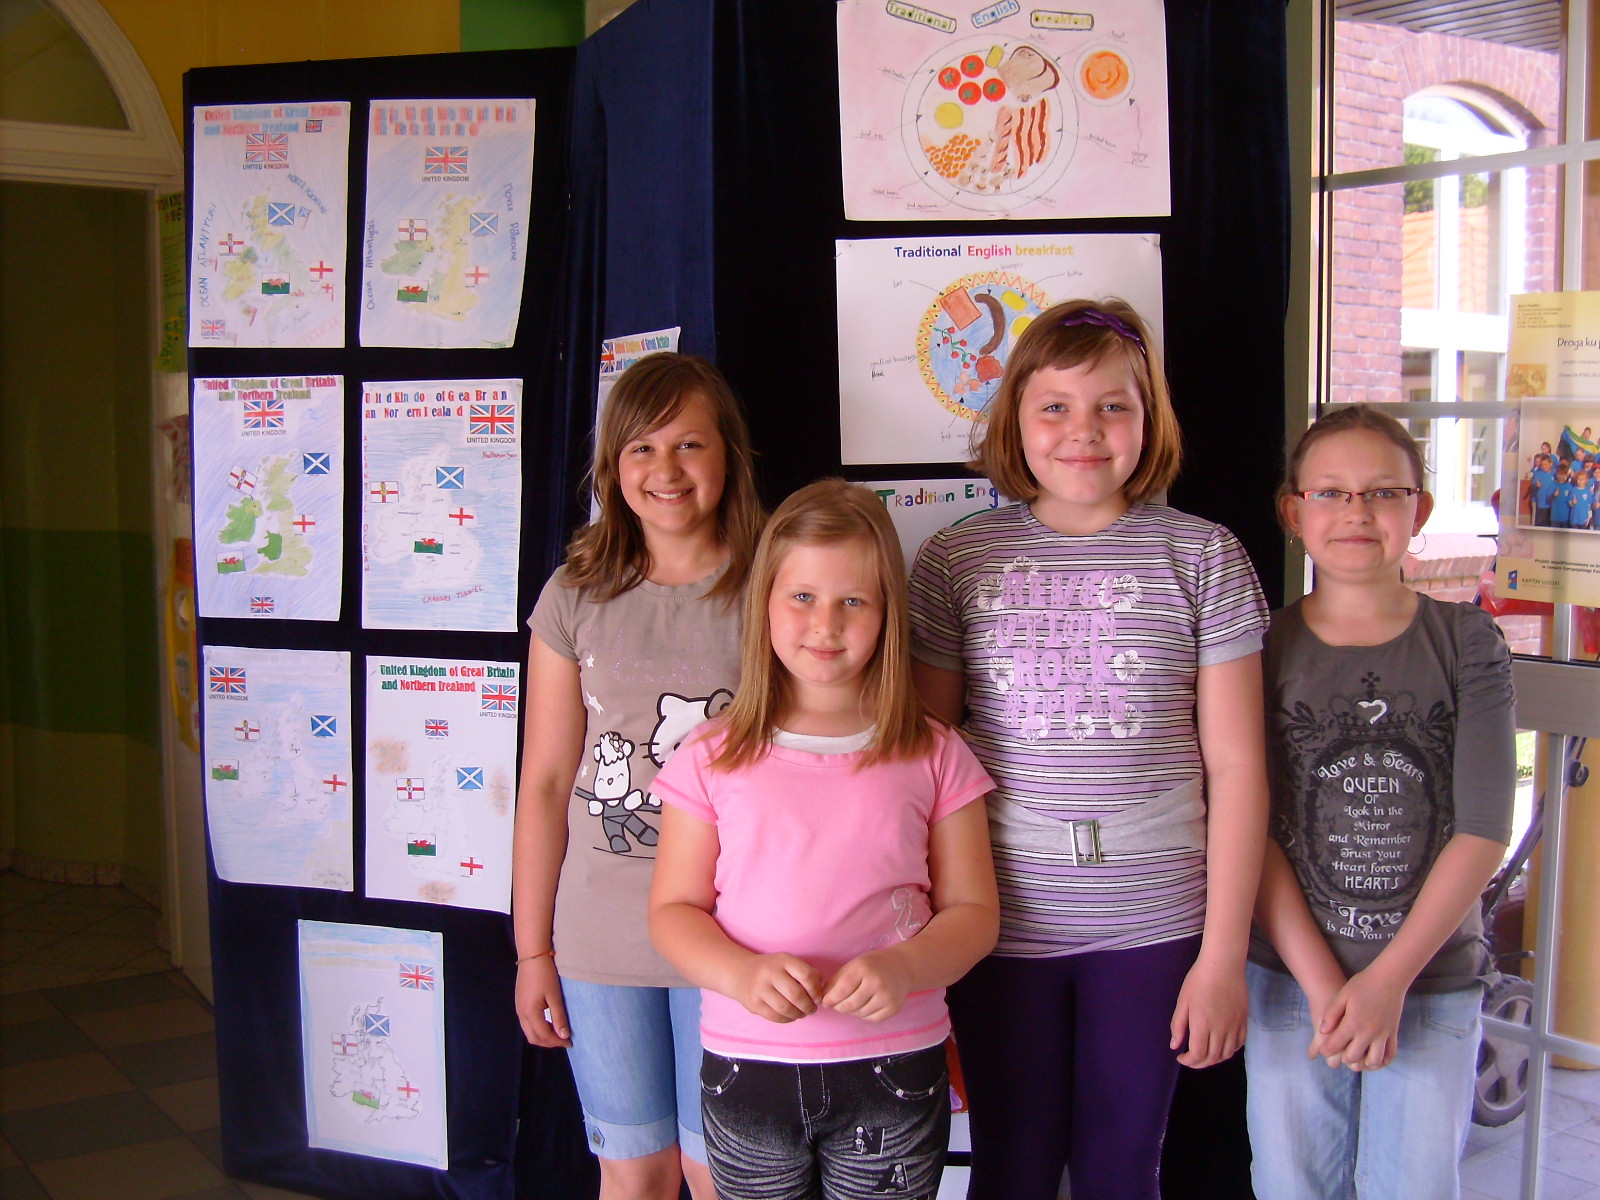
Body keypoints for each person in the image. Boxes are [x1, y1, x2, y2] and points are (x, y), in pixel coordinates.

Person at [907, 298, 1271, 1200]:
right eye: (1055, 407)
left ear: (1149, 420)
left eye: (1113, 405)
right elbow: (924, 766)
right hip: (997, 918)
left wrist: (1224, 957)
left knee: (1122, 1170)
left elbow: (1237, 770)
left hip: (1156, 920)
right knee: (1012, 1169)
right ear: (1016, 423)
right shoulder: (957, 559)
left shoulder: (1204, 557)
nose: (1085, 431)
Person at [649, 479, 1000, 1200]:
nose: (826, 625)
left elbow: (975, 914)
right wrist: (739, 974)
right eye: (803, 596)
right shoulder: (709, 756)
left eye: (854, 602)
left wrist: (906, 966)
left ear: (888, 612)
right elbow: (672, 912)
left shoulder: (935, 752)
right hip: (748, 1068)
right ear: (765, 603)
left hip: (895, 1067)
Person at [1246, 404, 1515, 1200]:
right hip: (1292, 982)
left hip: (1430, 983)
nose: (1356, 512)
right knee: (1292, 1185)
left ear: (1418, 510)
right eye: (1330, 492)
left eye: (1383, 492)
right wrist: (1325, 985)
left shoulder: (1467, 642)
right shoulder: (1259, 647)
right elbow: (1251, 826)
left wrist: (1387, 981)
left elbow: (1482, 827)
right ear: (1294, 512)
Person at [512, 352, 764, 1200]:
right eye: (641, 449)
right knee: (634, 1172)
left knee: (719, 1172)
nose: (666, 469)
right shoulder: (575, 593)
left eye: (689, 444)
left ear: (728, 453)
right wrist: (532, 950)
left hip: (735, 928)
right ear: (612, 466)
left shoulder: (777, 584)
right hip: (599, 932)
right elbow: (547, 782)